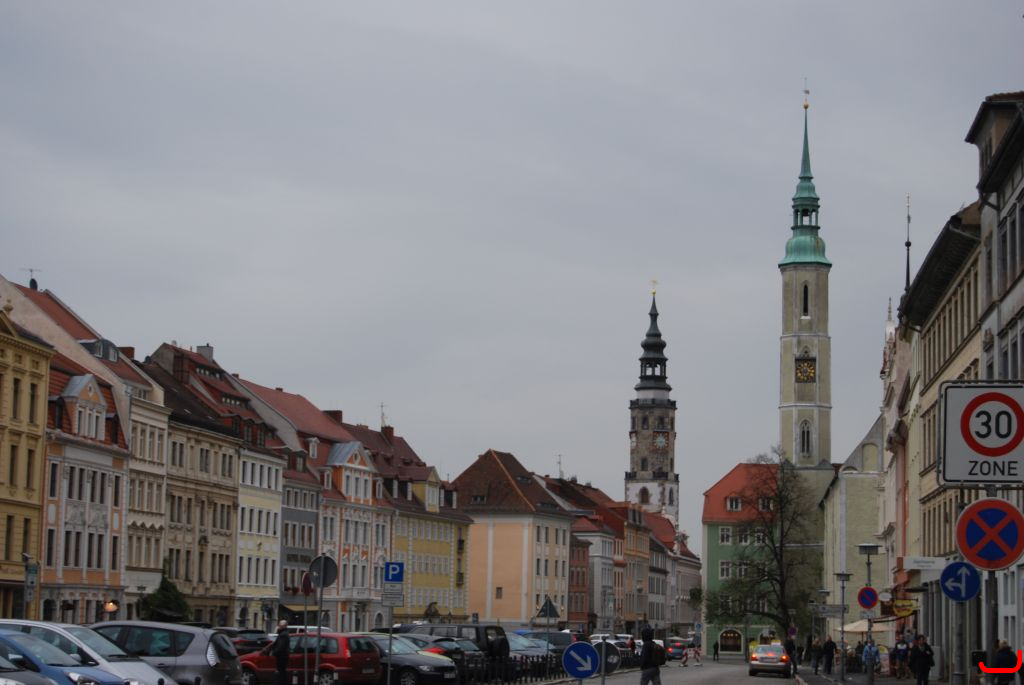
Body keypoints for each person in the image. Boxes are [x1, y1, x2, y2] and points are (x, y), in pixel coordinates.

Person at [272, 620, 290, 685]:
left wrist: (274, 652)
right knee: (282, 672)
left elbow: (280, 646)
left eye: (279, 625)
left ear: (283, 626)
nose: (278, 627)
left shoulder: (283, 635)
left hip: (282, 657)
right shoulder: (284, 633)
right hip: (283, 656)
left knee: (281, 672)